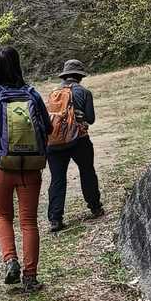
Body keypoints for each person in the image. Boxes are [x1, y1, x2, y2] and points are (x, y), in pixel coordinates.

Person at [0, 45, 51, 293]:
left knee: (2, 215)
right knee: (29, 222)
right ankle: (30, 277)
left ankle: (10, 260)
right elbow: (48, 128)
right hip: (30, 167)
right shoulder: (32, 94)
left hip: (0, 165)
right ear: (18, 65)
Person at [45, 59, 104, 232]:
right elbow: (90, 119)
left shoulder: (53, 93)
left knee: (57, 178)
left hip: (55, 143)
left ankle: (55, 219)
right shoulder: (84, 92)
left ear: (64, 75)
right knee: (87, 171)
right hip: (79, 140)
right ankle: (95, 207)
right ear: (79, 76)